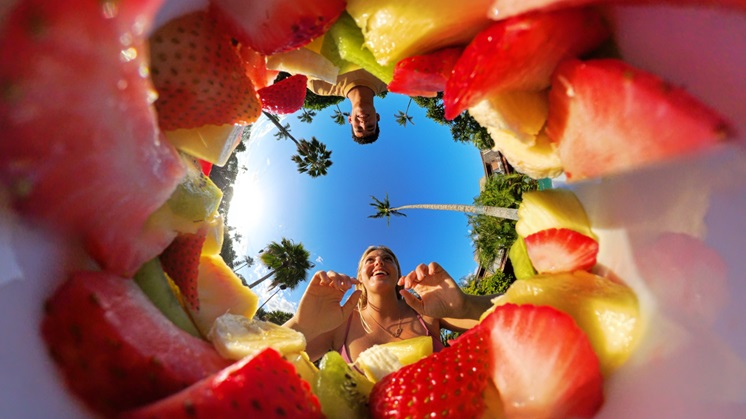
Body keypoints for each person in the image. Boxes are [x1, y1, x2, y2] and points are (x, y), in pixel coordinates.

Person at [283, 245, 495, 363]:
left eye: (387, 258)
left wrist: (466, 304)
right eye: (370, 259)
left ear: (397, 274)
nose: (379, 262)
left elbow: (521, 308)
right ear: (360, 276)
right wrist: (301, 326)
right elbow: (256, 364)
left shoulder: (428, 311)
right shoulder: (338, 325)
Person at [307, 69, 387, 145]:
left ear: (350, 119)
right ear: (377, 117)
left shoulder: (320, 85)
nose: (363, 123)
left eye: (359, 128)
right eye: (370, 126)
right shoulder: (389, 78)